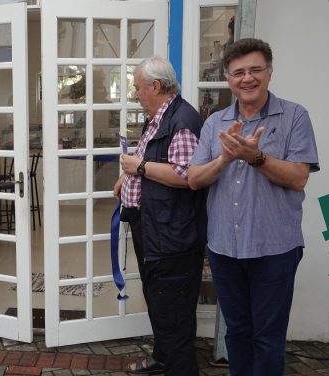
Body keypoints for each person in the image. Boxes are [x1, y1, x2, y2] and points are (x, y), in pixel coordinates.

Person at [187, 38, 319, 375]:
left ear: (269, 73)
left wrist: (255, 157)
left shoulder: (294, 116)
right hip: (224, 248)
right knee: (237, 332)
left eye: (255, 70)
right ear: (229, 79)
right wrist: (226, 159)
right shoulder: (214, 123)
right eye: (238, 72)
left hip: (274, 249)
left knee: (268, 338)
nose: (247, 78)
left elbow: (298, 177)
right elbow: (194, 179)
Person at [113, 56, 207, 375]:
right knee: (160, 305)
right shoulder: (157, 117)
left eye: (138, 87)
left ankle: (176, 365)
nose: (135, 93)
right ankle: (161, 358)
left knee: (174, 317)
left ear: (155, 86)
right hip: (152, 228)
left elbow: (187, 176)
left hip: (172, 237)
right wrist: (127, 178)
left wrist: (137, 167)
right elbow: (149, 159)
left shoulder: (182, 121)